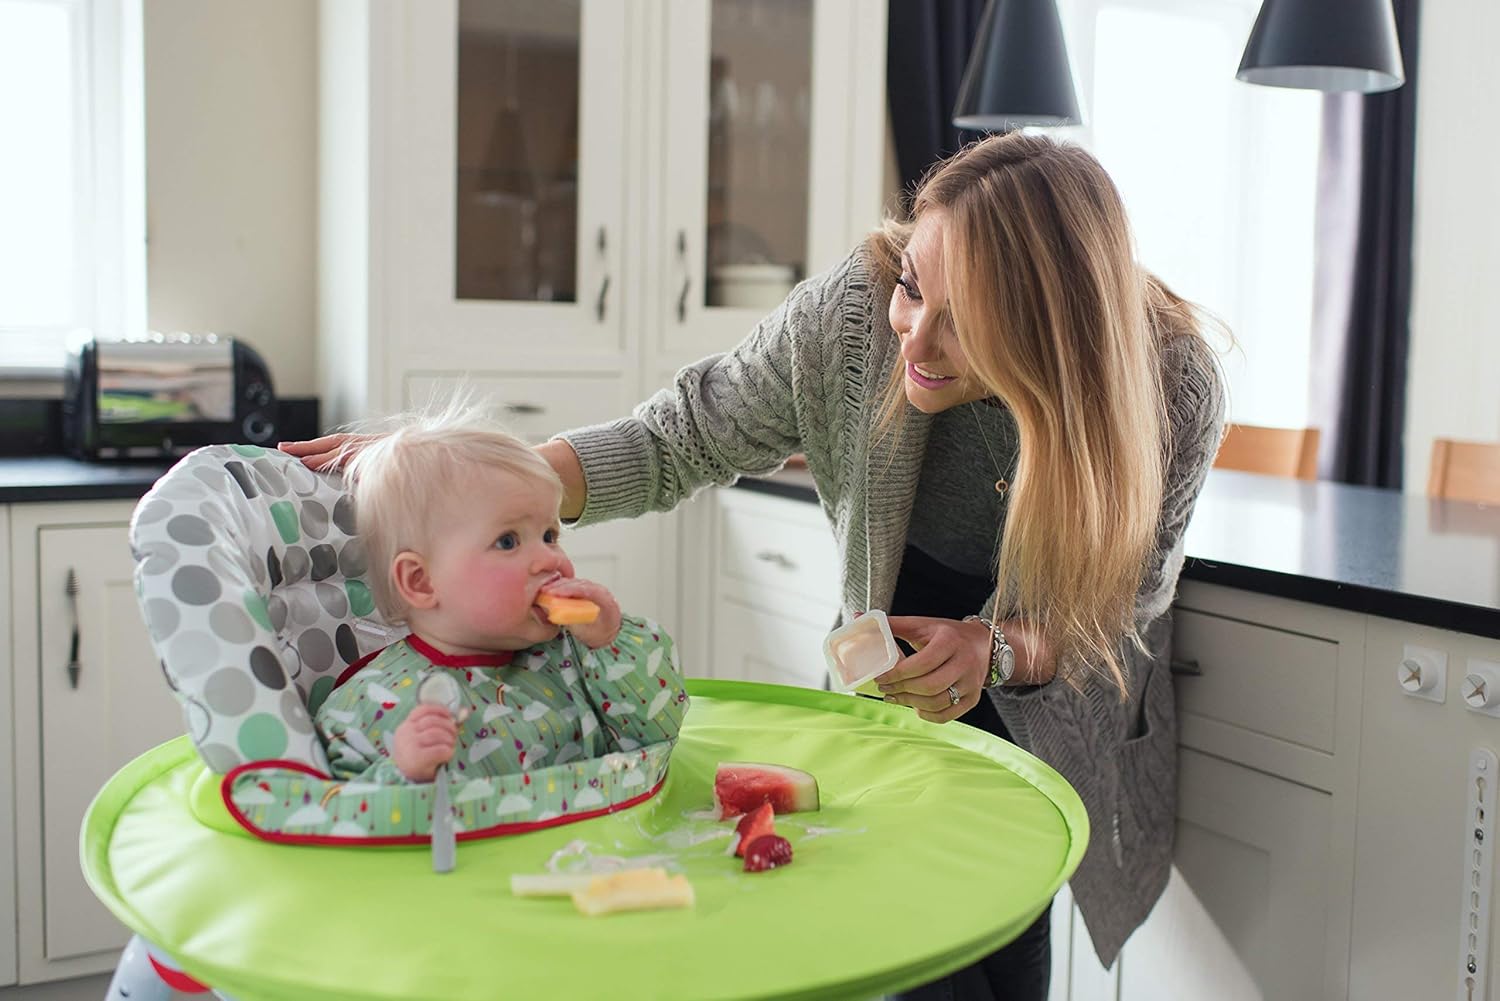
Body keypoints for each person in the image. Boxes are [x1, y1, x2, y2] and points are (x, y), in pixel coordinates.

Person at [284, 132, 1226, 1000]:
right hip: (898, 696)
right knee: (898, 941)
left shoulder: (1170, 383)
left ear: (1052, 334)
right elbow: (682, 433)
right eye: (913, 286)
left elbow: (1121, 607)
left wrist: (998, 650)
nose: (916, 340)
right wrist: (472, 487)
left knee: (1008, 925)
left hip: (1042, 696)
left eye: (964, 320)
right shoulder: (855, 316)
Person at [313, 406, 689, 785]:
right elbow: (341, 821)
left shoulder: (580, 655)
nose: (550, 560)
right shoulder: (372, 701)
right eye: (508, 541)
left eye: (550, 535)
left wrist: (613, 643)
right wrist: (404, 774)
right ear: (422, 582)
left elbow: (658, 735)